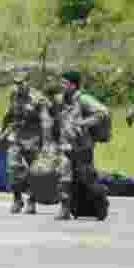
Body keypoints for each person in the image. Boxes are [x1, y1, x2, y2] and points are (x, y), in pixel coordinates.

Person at [52, 71, 109, 221]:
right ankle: (65, 208)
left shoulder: (83, 99)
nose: (61, 86)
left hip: (82, 147)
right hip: (66, 146)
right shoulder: (61, 100)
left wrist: (83, 123)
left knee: (87, 179)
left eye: (64, 83)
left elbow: (102, 112)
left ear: (73, 85)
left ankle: (100, 205)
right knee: (64, 177)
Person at [2, 72, 52, 215]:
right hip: (17, 135)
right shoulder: (14, 95)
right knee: (13, 168)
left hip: (33, 137)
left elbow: (46, 120)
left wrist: (47, 142)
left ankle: (32, 200)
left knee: (34, 171)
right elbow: (10, 113)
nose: (18, 86)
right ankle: (17, 199)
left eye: (21, 82)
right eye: (16, 83)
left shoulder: (38, 98)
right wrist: (3, 131)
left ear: (28, 82)